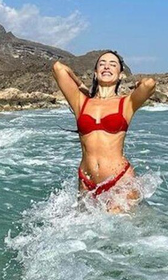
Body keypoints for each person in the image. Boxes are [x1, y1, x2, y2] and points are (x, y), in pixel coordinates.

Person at [52, 50, 156, 213]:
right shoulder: (81, 102)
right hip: (86, 183)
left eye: (113, 65)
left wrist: (137, 84)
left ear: (120, 75)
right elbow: (58, 68)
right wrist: (80, 85)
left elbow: (149, 84)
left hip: (120, 182)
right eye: (102, 64)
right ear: (95, 72)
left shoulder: (127, 103)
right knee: (83, 236)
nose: (107, 67)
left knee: (115, 235)